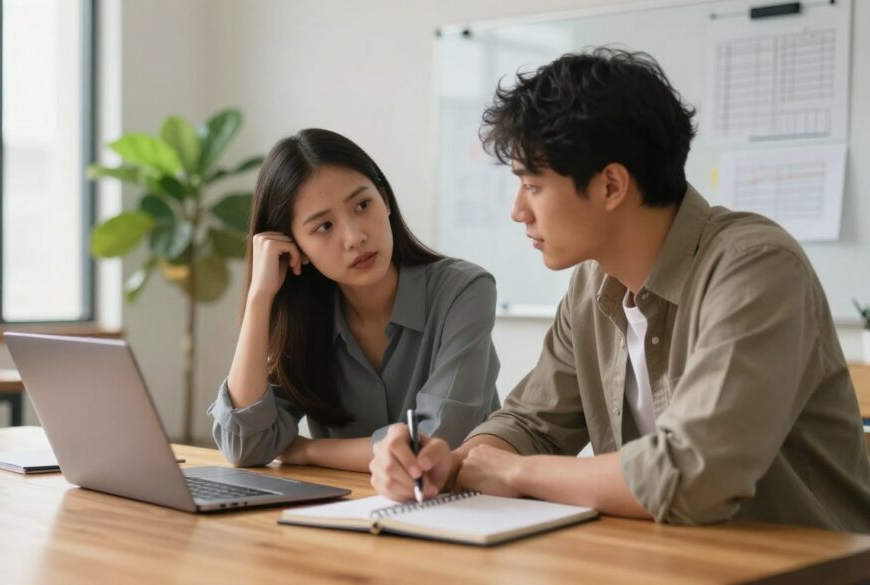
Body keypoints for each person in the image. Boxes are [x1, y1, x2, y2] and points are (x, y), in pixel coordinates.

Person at [370, 48, 870, 532]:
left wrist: (516, 473)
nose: (518, 210)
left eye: (533, 185)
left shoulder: (755, 268)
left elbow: (695, 475)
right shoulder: (591, 284)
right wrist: (450, 463)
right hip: (670, 561)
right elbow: (532, 424)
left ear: (611, 186)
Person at [208, 128, 501, 471]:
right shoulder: (305, 323)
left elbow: (433, 442)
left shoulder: (464, 291)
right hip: (348, 511)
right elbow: (245, 446)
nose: (355, 237)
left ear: (385, 199)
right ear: (294, 247)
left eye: (362, 205)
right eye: (324, 227)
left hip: (471, 508)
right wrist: (260, 297)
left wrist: (307, 451)